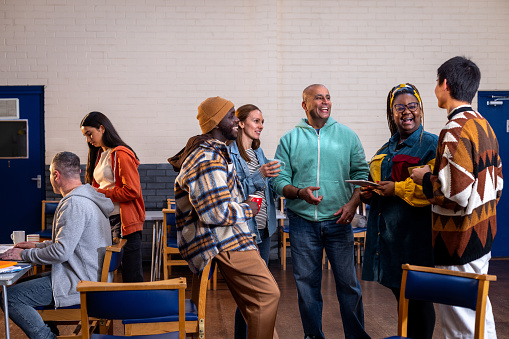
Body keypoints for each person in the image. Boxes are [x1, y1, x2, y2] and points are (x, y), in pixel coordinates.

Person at [168, 96, 280, 339]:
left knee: (257, 304)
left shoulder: (216, 153)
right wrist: (247, 209)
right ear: (216, 123)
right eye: (231, 116)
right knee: (268, 295)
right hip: (226, 239)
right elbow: (215, 212)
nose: (236, 122)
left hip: (232, 236)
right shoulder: (206, 157)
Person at [411, 56, 503, 338]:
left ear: (445, 84)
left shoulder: (454, 130)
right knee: (478, 313)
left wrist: (424, 179)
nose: (435, 89)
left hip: (458, 239)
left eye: (436, 83)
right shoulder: (482, 124)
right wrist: (439, 171)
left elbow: (456, 196)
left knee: (459, 323)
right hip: (483, 233)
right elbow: (495, 183)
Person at [272, 84, 370, 339]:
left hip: (339, 220)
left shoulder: (347, 136)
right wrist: (298, 192)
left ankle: (356, 336)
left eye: (328, 97)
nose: (325, 102)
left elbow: (362, 175)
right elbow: (279, 180)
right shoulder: (290, 139)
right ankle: (313, 336)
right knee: (307, 287)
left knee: (349, 286)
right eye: (318, 98)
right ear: (305, 105)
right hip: (302, 222)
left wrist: (352, 205)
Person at [0, 151, 112, 339]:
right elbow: (70, 244)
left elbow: (61, 252)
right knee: (22, 284)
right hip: (89, 275)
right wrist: (36, 247)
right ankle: (51, 331)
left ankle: (47, 337)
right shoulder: (88, 197)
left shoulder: (74, 204)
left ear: (56, 175)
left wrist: (22, 255)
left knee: (9, 297)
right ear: (79, 171)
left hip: (81, 283)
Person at [360, 83, 438, 339]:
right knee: (402, 299)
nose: (407, 112)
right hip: (388, 240)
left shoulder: (432, 145)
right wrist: (370, 193)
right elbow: (382, 191)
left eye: (412, 106)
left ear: (421, 109)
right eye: (400, 107)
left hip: (415, 239)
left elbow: (433, 189)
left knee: (419, 301)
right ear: (391, 113)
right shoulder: (384, 150)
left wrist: (397, 189)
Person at [228, 104, 281, 339]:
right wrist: (260, 175)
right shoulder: (229, 152)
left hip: (264, 227)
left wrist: (278, 182)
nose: (260, 126)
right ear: (240, 123)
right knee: (251, 293)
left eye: (262, 122)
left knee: (259, 294)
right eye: (256, 121)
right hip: (246, 231)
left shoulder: (258, 152)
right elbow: (236, 190)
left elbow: (266, 188)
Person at [80, 111, 145, 282]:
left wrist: (98, 193)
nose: (88, 139)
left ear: (101, 128)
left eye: (89, 134)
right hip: (108, 220)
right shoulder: (101, 155)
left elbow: (132, 191)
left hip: (124, 221)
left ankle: (135, 308)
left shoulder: (120, 153)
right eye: (85, 136)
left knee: (132, 276)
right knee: (107, 271)